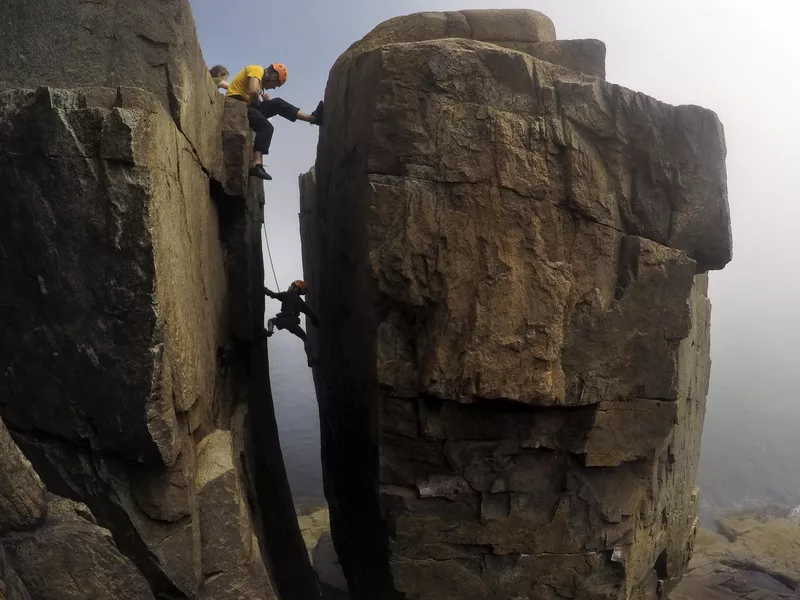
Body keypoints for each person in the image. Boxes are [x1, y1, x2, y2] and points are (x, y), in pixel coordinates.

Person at [226, 63, 324, 181]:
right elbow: (253, 91)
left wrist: (266, 102)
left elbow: (254, 92)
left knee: (277, 103)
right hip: (238, 103)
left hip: (247, 104)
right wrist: (260, 102)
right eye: (276, 84)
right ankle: (256, 164)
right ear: (273, 76)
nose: (273, 88)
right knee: (266, 127)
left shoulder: (260, 81)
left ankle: (312, 118)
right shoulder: (257, 69)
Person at [264, 280, 320, 365]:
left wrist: (264, 289)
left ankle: (270, 331)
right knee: (305, 338)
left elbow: (273, 295)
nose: (289, 287)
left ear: (295, 288)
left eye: (291, 286)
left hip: (283, 320)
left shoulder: (286, 294)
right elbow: (310, 313)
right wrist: (315, 321)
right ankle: (310, 359)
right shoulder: (301, 302)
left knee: (271, 321)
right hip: (293, 324)